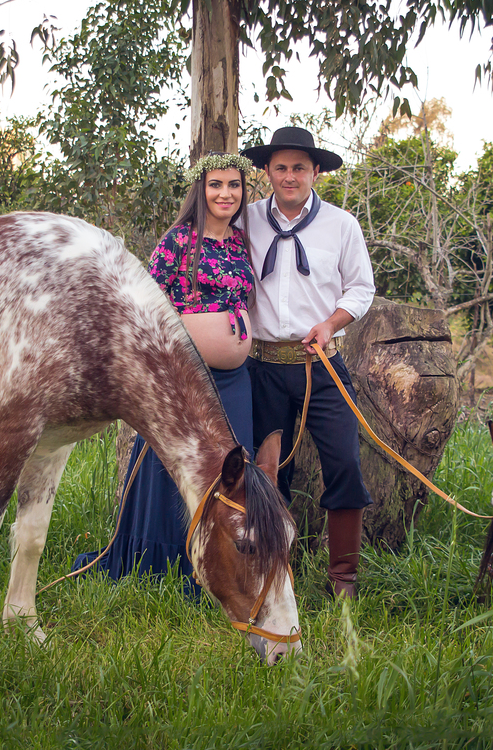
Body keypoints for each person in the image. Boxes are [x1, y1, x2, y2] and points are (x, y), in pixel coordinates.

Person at [72, 152, 257, 588]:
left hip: (234, 382)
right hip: (183, 383)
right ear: (201, 189)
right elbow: (145, 305)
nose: (225, 193)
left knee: (229, 472)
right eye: (216, 185)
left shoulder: (240, 242)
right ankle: (160, 562)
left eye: (234, 185)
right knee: (171, 468)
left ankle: (220, 563)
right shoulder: (179, 241)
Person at [240, 126, 376, 599]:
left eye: (300, 167)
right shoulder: (246, 219)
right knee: (267, 473)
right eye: (281, 167)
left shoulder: (342, 226)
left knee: (344, 463)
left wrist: (330, 322)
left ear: (316, 171)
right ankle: (276, 572)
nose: (290, 176)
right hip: (261, 369)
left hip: (321, 365)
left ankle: (344, 579)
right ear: (267, 172)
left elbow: (361, 288)